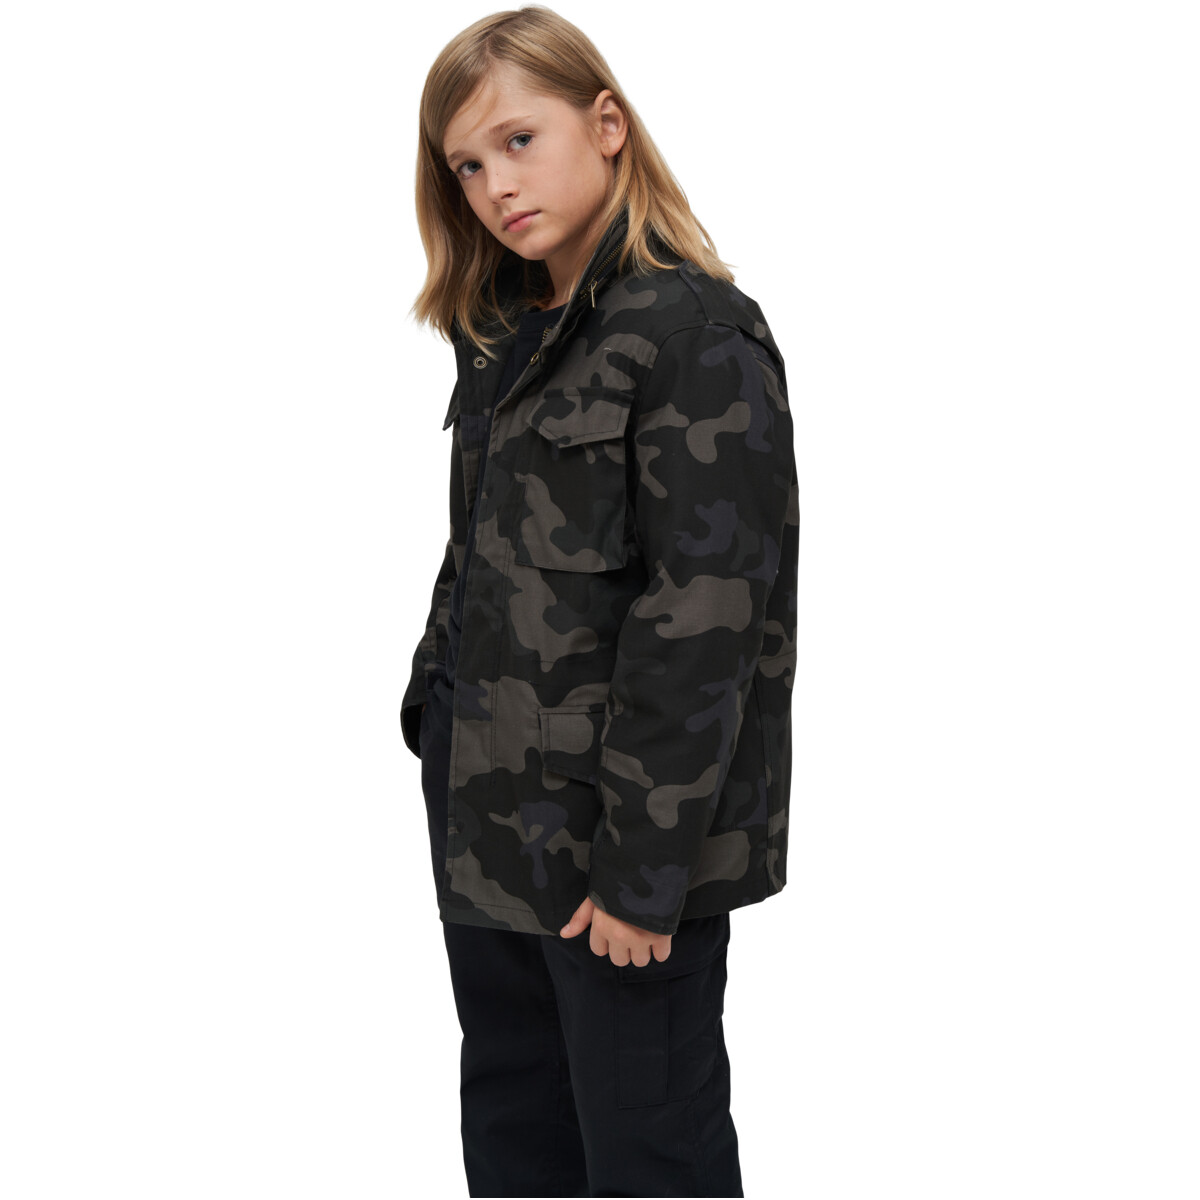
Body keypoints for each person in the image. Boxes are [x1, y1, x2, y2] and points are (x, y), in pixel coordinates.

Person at [399, 7, 798, 1195]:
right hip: (489, 820)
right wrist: (431, 709)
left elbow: (704, 625)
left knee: (649, 1154)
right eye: (467, 167)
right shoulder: (507, 337)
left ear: (607, 124)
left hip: (617, 853)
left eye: (518, 141)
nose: (495, 187)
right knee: (515, 1134)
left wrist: (642, 875)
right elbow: (478, 555)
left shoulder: (694, 339)